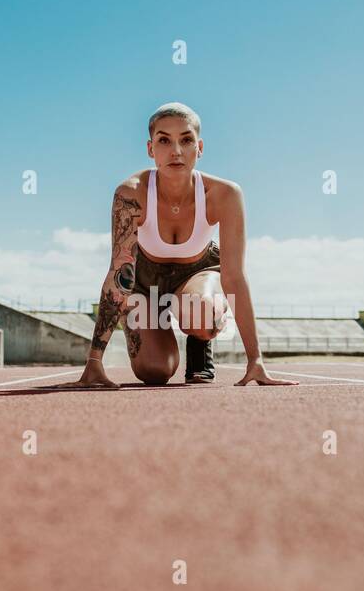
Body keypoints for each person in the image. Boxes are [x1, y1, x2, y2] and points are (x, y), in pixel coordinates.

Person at [57, 102, 296, 389]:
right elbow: (120, 271)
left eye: (186, 139)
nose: (176, 151)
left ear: (200, 147)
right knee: (155, 371)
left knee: (201, 315)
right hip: (143, 282)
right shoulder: (131, 193)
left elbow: (234, 276)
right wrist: (94, 362)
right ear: (150, 149)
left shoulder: (224, 194)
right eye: (164, 140)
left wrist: (255, 360)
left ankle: (199, 344)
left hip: (197, 272)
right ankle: (149, 322)